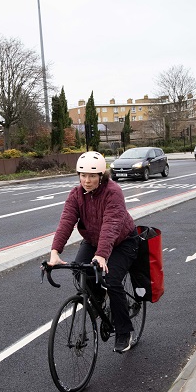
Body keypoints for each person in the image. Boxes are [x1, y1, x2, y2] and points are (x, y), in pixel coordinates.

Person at [48, 151, 139, 353]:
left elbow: (112, 225)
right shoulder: (76, 194)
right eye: (83, 175)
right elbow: (66, 223)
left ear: (101, 176)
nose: (86, 181)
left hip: (123, 241)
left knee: (111, 279)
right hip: (93, 240)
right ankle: (98, 299)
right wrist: (55, 252)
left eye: (92, 176)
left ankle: (125, 331)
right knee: (80, 270)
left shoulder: (113, 192)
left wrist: (102, 255)